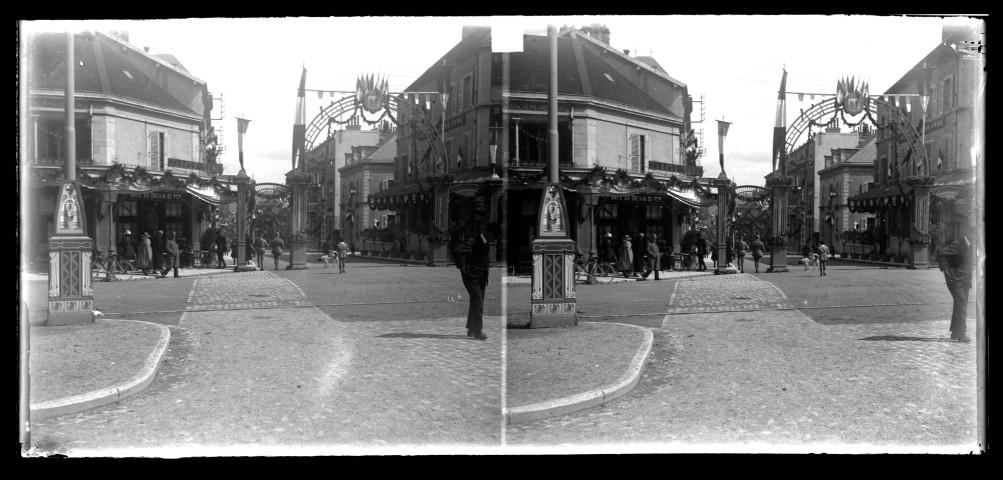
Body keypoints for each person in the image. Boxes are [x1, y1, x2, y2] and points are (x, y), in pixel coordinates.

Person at [453, 222, 501, 341]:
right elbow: (457, 252)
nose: (494, 239)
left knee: (477, 302)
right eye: (493, 236)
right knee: (478, 302)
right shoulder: (473, 241)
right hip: (471, 276)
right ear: (488, 233)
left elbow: (485, 260)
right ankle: (478, 331)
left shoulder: (486, 243)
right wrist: (463, 268)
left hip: (481, 277)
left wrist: (486, 276)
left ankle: (472, 327)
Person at [938, 236, 973, 342]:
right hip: (955, 278)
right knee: (961, 303)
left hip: (965, 279)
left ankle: (955, 332)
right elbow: (941, 253)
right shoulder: (958, 243)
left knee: (961, 304)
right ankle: (961, 334)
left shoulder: (972, 244)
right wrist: (946, 271)